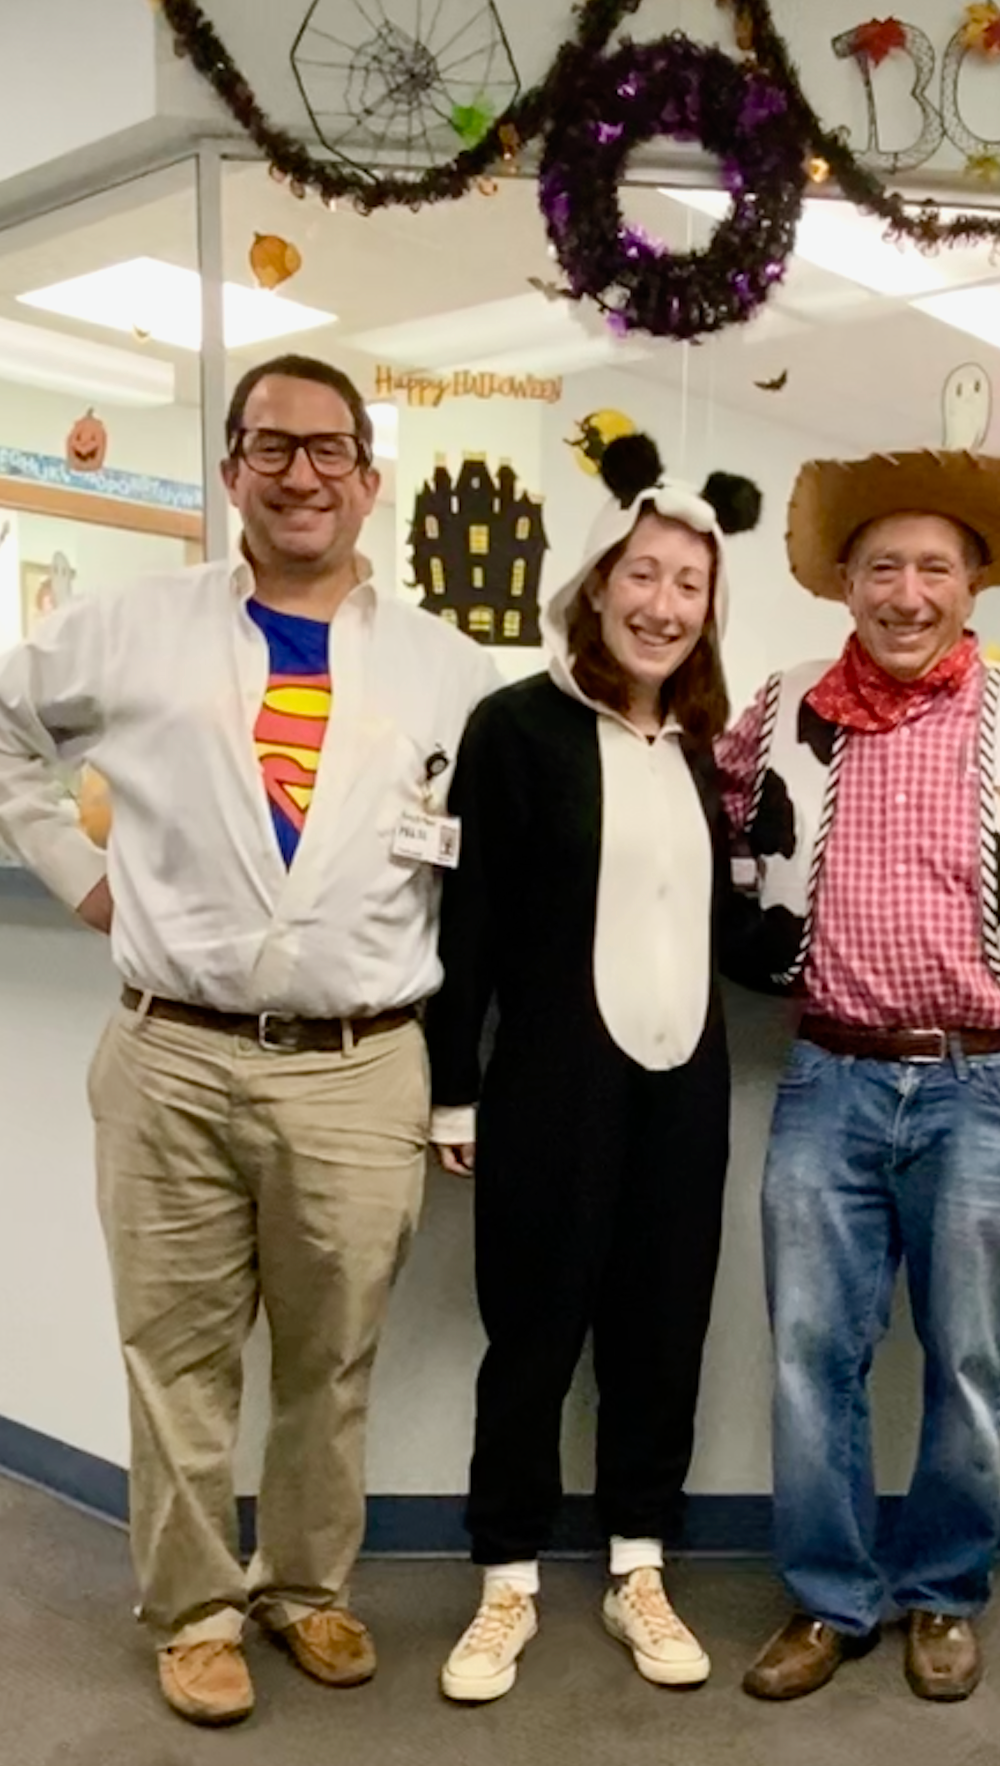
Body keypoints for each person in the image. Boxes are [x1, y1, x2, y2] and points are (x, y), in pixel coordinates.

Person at [0, 355, 500, 1728]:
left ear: (370, 479)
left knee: (333, 1352)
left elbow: (481, 868)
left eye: (328, 451)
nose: (300, 473)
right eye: (270, 446)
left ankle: (306, 1585)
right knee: (175, 1347)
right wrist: (80, 874)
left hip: (364, 1061)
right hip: (172, 1053)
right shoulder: (136, 628)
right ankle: (193, 1607)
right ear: (233, 467)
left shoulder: (448, 668)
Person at [719, 448, 1000, 1704]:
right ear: (846, 581)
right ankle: (829, 1598)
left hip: (987, 1089)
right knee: (809, 1353)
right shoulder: (777, 709)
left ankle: (943, 1591)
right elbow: (696, 831)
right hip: (828, 1082)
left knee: (966, 1358)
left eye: (934, 568)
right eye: (883, 565)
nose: (907, 593)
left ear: (976, 584)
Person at [426, 435, 760, 1702]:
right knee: (532, 1328)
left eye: (691, 585)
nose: (664, 603)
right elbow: (469, 928)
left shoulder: (698, 748)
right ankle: (504, 1573)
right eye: (645, 573)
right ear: (598, 577)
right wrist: (453, 1084)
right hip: (553, 1081)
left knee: (661, 1324)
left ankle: (637, 1561)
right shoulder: (514, 727)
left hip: (684, 1087)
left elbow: (720, 923)